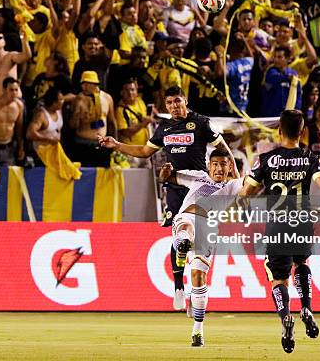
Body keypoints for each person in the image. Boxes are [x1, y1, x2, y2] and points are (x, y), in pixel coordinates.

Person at [98, 86, 238, 311]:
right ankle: (178, 288)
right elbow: (145, 151)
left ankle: (195, 287)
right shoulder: (164, 128)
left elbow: (223, 149)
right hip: (175, 185)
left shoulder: (201, 123)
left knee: (196, 239)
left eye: (177, 101)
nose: (174, 106)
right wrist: (117, 145)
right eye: (170, 103)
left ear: (186, 100)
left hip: (200, 186)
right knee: (179, 233)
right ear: (166, 106)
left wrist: (235, 180)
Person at [237, 109, 320, 353]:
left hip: (277, 223)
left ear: (279, 131)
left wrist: (243, 203)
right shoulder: (310, 158)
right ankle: (306, 306)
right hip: (303, 221)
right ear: (303, 131)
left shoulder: (266, 159)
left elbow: (246, 193)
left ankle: (286, 316)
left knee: (279, 278)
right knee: (302, 263)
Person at [158, 149, 242, 347]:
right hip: (186, 218)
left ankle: (197, 329)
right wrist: (165, 172)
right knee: (186, 225)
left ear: (230, 167)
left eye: (223, 164)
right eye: (215, 164)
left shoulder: (233, 185)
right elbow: (167, 177)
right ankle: (182, 244)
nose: (219, 168)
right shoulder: (198, 177)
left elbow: (252, 185)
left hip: (208, 231)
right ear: (209, 165)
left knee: (198, 276)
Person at [69, 71, 116, 167]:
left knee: (101, 177)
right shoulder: (78, 99)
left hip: (102, 145)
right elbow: (72, 126)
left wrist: (116, 144)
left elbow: (112, 122)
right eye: (82, 84)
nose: (83, 87)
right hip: (82, 145)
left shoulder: (107, 98)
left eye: (86, 84)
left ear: (95, 84)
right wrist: (76, 116)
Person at [115, 79, 152, 168]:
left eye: (132, 90)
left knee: (147, 179)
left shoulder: (140, 101)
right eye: (126, 90)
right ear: (121, 92)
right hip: (130, 153)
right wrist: (143, 124)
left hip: (145, 151)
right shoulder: (120, 110)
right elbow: (126, 133)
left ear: (136, 91)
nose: (130, 93)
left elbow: (144, 118)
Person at [260, 46, 302, 117]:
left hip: (287, 115)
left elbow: (298, 93)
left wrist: (297, 108)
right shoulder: (270, 71)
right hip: (270, 114)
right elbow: (273, 78)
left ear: (288, 59)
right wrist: (287, 77)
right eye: (275, 57)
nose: (276, 59)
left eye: (279, 57)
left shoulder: (294, 74)